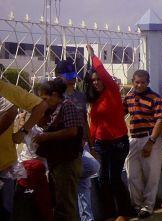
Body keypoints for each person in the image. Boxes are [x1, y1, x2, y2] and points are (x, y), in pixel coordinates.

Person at [85, 44, 131, 221]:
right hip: (101, 143)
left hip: (118, 142)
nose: (96, 82)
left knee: (114, 178)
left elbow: (102, 71)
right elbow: (94, 124)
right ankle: (110, 214)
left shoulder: (111, 90)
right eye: (93, 80)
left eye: (98, 79)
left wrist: (92, 56)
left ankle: (124, 212)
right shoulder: (95, 100)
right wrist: (91, 145)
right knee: (102, 178)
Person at [56, 60, 100, 221]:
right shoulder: (55, 97)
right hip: (65, 149)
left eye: (73, 76)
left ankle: (87, 218)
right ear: (58, 77)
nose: (71, 80)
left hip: (82, 146)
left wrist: (91, 144)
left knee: (85, 184)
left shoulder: (79, 97)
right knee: (90, 170)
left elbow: (84, 121)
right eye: (67, 77)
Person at [35, 78, 84, 221]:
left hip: (67, 161)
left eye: (45, 98)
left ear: (55, 95)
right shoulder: (52, 110)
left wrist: (47, 136)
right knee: (59, 199)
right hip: (57, 161)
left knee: (66, 202)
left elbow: (72, 131)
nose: (43, 101)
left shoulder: (67, 106)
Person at [0, 80, 47, 221]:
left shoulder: (6, 89)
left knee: (5, 211)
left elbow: (41, 106)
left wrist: (23, 131)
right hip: (5, 164)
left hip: (3, 166)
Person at [123, 70, 162, 219]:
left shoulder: (155, 98)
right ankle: (136, 205)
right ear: (132, 81)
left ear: (148, 82)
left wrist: (151, 142)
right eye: (136, 82)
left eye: (142, 82)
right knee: (132, 175)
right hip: (133, 139)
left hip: (150, 139)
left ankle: (148, 207)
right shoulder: (128, 97)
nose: (139, 85)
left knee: (151, 176)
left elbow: (160, 120)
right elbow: (121, 114)